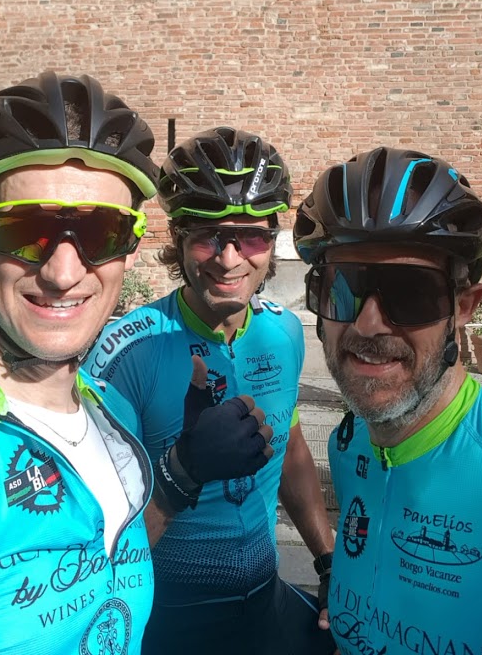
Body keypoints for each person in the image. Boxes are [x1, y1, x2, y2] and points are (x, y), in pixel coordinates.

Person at [0, 74, 272, 655]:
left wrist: (180, 474)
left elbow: (103, 562)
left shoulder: (110, 409)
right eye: (25, 229)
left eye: (101, 231)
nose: (63, 273)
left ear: (130, 247)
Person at [85, 127, 336, 655]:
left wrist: (327, 559)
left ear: (272, 241)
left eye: (251, 238)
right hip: (165, 622)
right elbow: (90, 540)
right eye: (207, 237)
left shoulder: (285, 332)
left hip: (263, 606)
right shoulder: (126, 354)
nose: (228, 259)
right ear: (177, 240)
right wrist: (182, 472)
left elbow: (290, 450)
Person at [293, 145, 482, 655]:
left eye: (410, 293)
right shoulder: (348, 443)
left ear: (464, 307)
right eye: (343, 289)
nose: (367, 325)